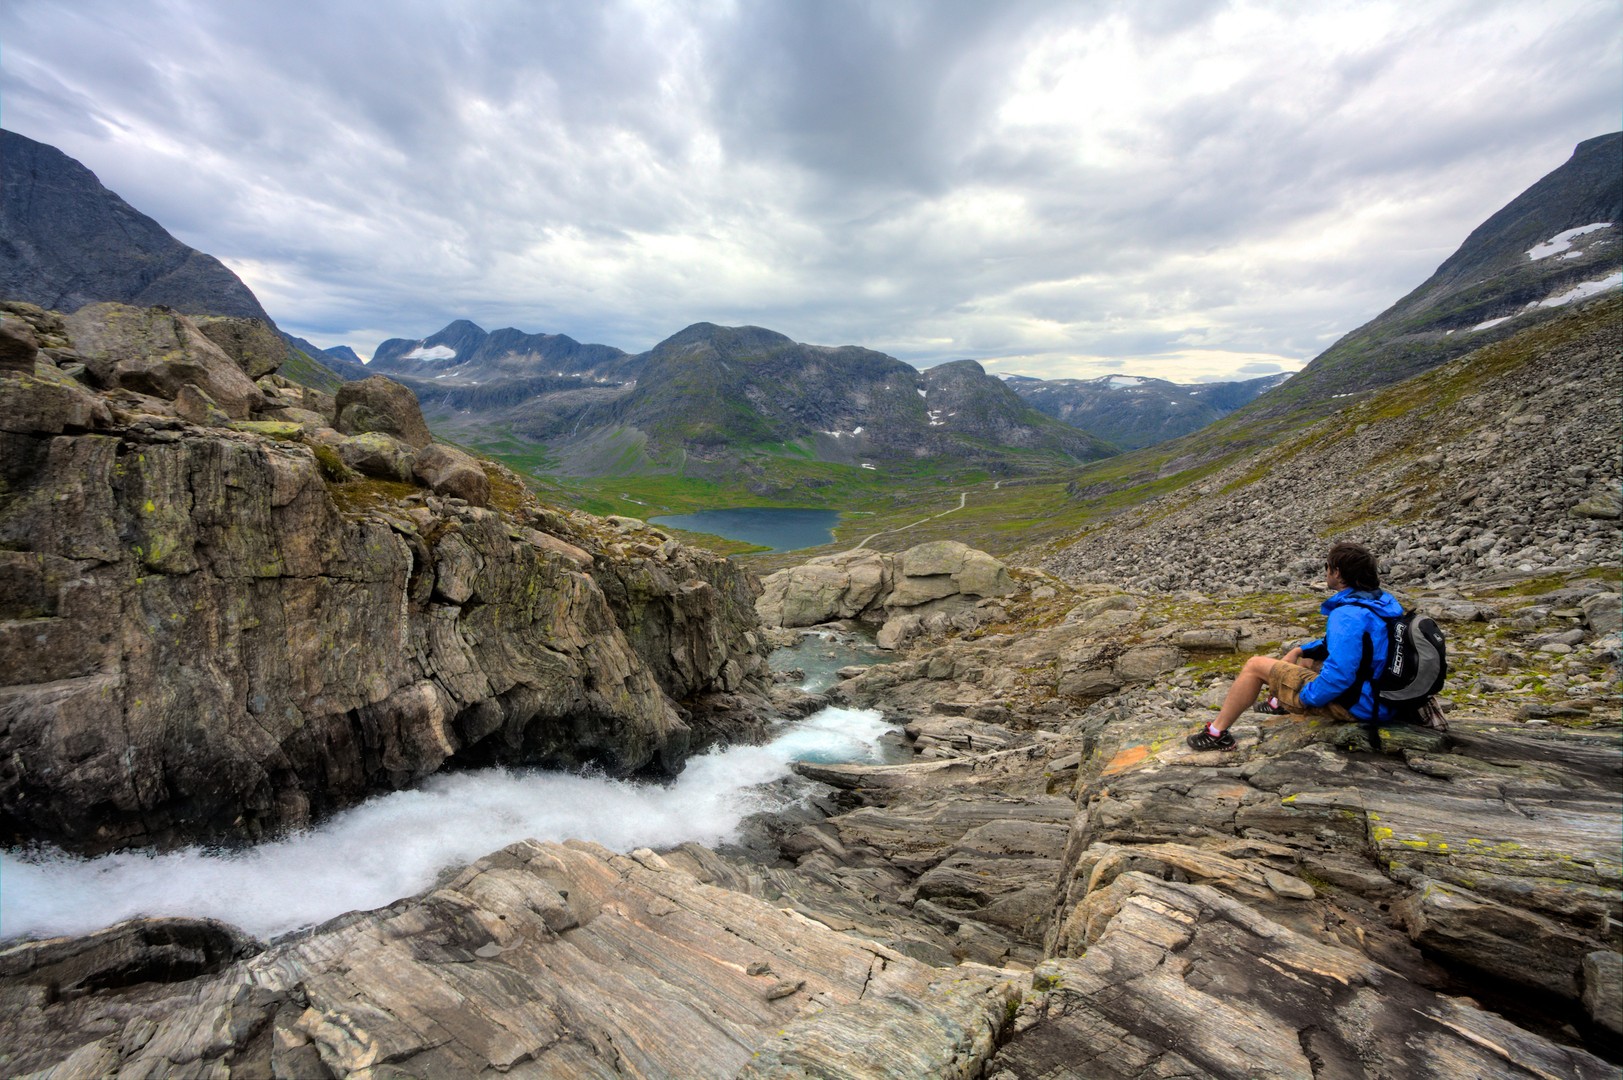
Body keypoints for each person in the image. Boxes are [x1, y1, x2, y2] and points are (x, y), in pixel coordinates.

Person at [1187, 541, 1402, 751]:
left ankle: (1216, 733)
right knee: (1305, 657)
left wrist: (1305, 698)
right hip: (1384, 700)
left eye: (1327, 566)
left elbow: (1340, 676)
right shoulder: (1382, 602)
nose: (1326, 572)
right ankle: (1276, 705)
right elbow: (1355, 645)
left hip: (1359, 706)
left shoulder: (1346, 614)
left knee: (1254, 666)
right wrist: (1300, 650)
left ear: (1337, 572)